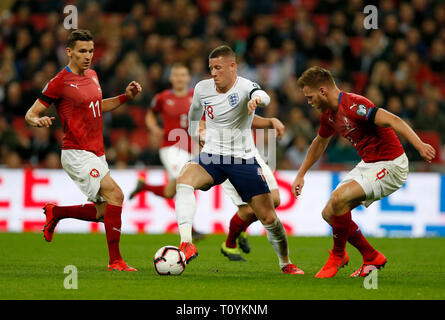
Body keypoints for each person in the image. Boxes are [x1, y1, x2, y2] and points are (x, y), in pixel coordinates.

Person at [291, 66, 436, 278]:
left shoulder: (354, 105)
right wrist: (301, 174)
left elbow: (394, 120)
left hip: (391, 164)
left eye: (310, 97)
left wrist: (419, 145)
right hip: (369, 164)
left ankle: (338, 255)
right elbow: (319, 142)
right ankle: (371, 256)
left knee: (338, 198)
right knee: (329, 213)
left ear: (322, 91)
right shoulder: (328, 116)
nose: (309, 102)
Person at [175, 45, 304, 275]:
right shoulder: (203, 89)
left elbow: (261, 95)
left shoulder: (245, 86)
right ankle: (186, 243)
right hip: (213, 156)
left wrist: (257, 102)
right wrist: (196, 133)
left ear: (232, 67)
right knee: (184, 180)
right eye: (211, 68)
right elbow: (195, 111)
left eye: (218, 68)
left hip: (242, 160)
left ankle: (286, 263)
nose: (213, 73)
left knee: (268, 215)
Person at [24, 29, 142, 272]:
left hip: (96, 152)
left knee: (103, 211)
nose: (88, 56)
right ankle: (115, 261)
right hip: (76, 152)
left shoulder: (93, 75)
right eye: (82, 51)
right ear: (69, 52)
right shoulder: (59, 82)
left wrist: (125, 97)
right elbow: (31, 113)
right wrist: (38, 121)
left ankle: (55, 212)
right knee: (116, 196)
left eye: (90, 51)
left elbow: (97, 105)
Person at [128, 62, 205, 240]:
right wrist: (154, 128)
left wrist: (201, 136)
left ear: (188, 78)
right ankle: (189, 230)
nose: (179, 78)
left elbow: (203, 119)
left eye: (183, 75)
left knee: (172, 190)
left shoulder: (196, 96)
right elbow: (150, 114)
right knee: (186, 184)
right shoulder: (162, 98)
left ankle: (144, 186)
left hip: (190, 148)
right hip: (170, 148)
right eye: (176, 75)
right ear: (171, 78)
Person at [219, 115, 285, 261]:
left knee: (274, 200)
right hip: (227, 159)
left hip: (252, 154)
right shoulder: (210, 98)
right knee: (247, 209)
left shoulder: (239, 93)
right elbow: (201, 127)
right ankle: (229, 244)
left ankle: (241, 228)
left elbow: (249, 117)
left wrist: (270, 121)